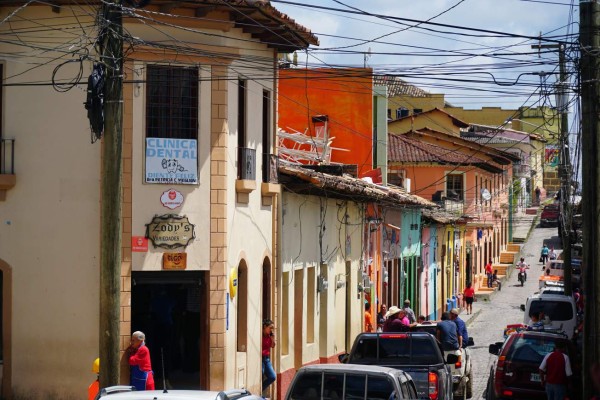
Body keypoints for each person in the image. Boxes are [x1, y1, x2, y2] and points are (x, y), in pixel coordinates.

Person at [262, 319, 277, 394]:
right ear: (265, 327)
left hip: (266, 359)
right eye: (270, 328)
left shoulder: (269, 336)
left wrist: (272, 339)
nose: (271, 330)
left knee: (272, 376)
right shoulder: (260, 335)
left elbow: (273, 346)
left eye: (272, 328)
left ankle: (261, 389)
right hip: (260, 358)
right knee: (261, 372)